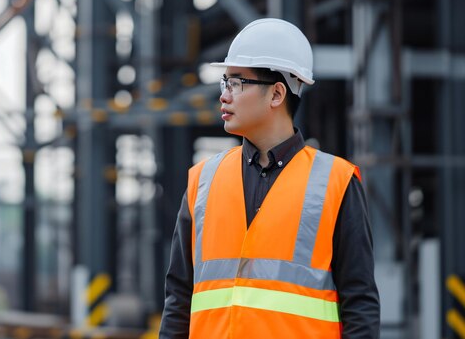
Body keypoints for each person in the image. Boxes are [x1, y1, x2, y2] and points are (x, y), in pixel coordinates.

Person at [159, 18, 380, 338]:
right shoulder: (203, 181)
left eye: (236, 82)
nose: (224, 95)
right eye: (225, 82)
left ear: (277, 94)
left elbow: (359, 305)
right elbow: (179, 298)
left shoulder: (337, 183)